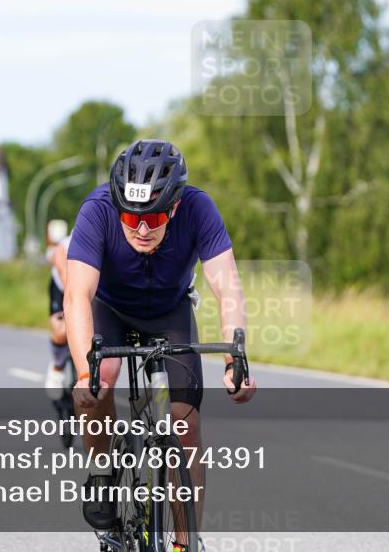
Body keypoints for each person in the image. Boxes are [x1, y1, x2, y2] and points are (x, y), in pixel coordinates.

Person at [65, 139, 257, 546]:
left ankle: (186, 541)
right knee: (103, 373)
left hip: (170, 311)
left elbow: (228, 288)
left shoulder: (199, 208)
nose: (144, 229)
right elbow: (77, 295)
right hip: (110, 309)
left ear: (174, 206)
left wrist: (234, 362)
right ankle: (103, 471)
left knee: (185, 424)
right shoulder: (96, 210)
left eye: (154, 217)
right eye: (132, 220)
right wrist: (85, 373)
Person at [44, 219, 71, 397]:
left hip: (90, 289)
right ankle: (57, 366)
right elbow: (63, 274)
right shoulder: (63, 247)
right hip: (62, 288)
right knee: (62, 331)